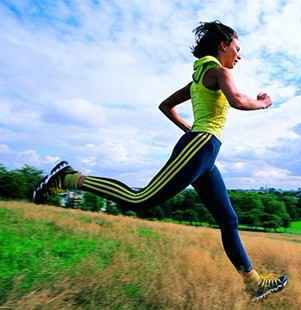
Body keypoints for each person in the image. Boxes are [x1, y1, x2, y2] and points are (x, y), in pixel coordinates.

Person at [33, 20, 288, 301]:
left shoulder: (197, 79)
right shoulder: (219, 70)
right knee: (140, 199)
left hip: (202, 149)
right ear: (223, 44)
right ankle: (68, 177)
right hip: (202, 146)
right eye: (237, 49)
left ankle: (252, 283)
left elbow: (165, 106)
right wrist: (264, 102)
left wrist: (190, 131)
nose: (239, 56)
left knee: (228, 218)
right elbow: (238, 100)